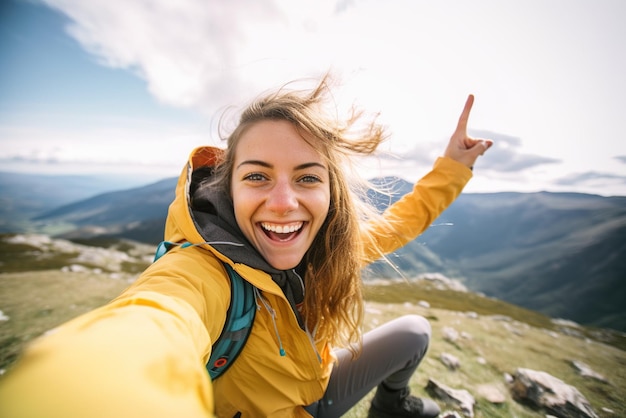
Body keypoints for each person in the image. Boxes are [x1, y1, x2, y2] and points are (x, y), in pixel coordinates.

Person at [0, 75, 492, 418]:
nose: (283, 203)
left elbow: (401, 221)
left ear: (329, 194)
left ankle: (391, 406)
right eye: (257, 175)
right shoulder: (202, 273)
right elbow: (153, 322)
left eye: (307, 178)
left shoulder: (330, 249)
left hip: (316, 390)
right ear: (227, 186)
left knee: (414, 332)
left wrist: (453, 168)